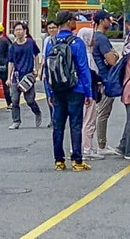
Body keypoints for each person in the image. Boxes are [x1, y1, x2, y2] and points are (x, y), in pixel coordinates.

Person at [42, 13, 92, 170]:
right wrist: (88, 92)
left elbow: (47, 68)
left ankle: (59, 160)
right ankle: (77, 161)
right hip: (75, 88)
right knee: (75, 124)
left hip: (57, 88)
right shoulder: (77, 42)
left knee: (58, 125)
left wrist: (49, 92)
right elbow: (83, 68)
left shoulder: (51, 42)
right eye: (74, 20)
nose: (75, 23)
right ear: (68, 22)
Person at [82, 12, 122, 158]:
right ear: (101, 21)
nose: (110, 22)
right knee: (102, 113)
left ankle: (98, 144)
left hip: (100, 78)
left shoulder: (96, 38)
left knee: (99, 113)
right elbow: (112, 59)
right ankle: (101, 145)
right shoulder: (102, 39)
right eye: (107, 19)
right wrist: (115, 55)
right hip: (105, 79)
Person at [6, 19, 42, 128]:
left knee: (30, 100)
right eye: (16, 30)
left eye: (20, 29)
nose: (18, 32)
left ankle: (37, 112)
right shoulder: (13, 46)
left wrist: (37, 69)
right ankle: (16, 121)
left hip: (28, 76)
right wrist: (8, 77)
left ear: (24, 31)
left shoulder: (31, 43)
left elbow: (36, 55)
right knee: (14, 100)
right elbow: (11, 62)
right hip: (16, 77)